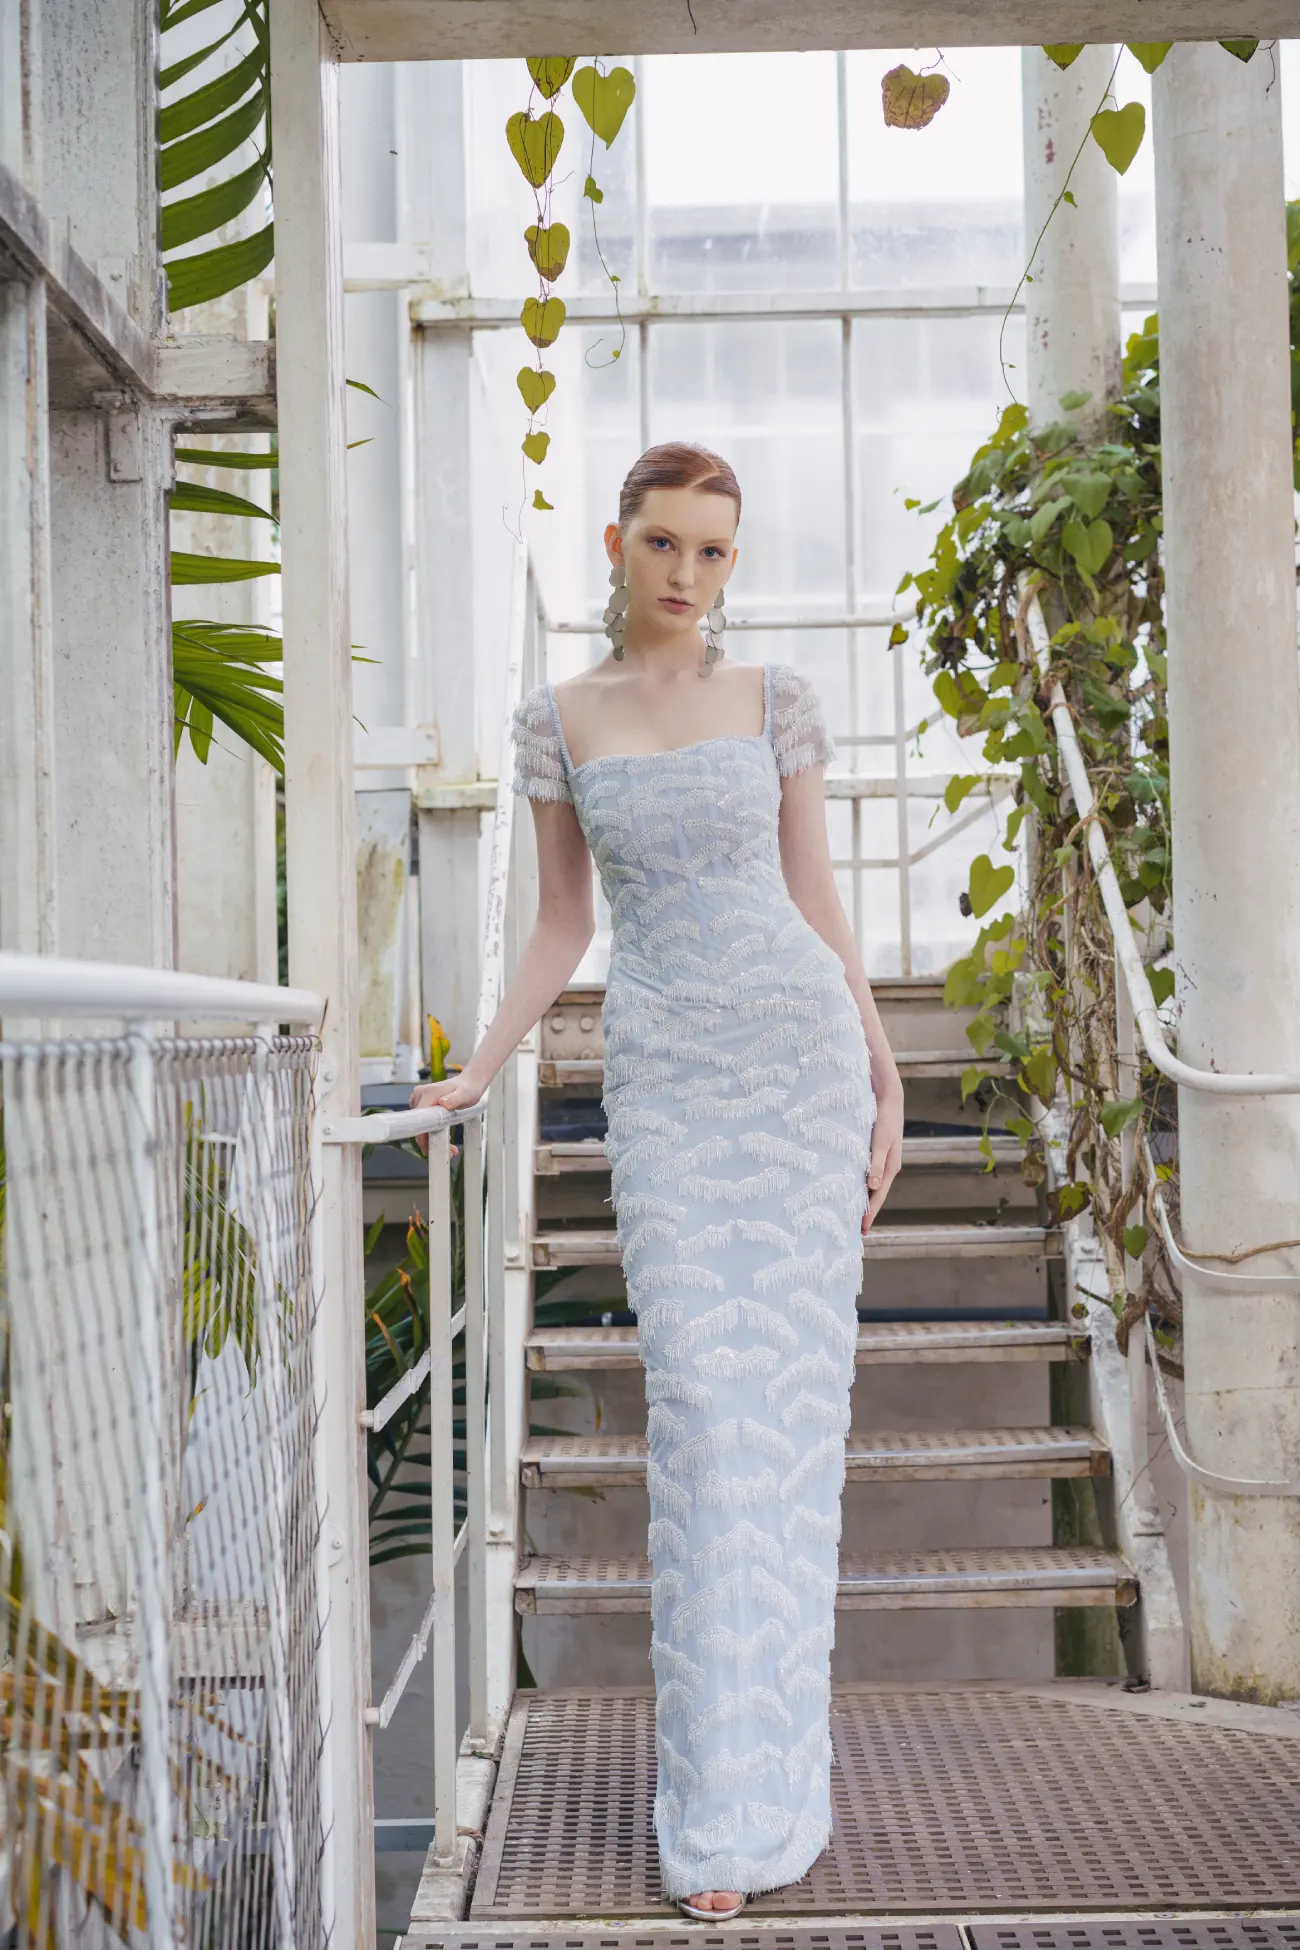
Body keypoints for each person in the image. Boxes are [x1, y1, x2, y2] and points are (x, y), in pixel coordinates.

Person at [410, 440, 904, 1919]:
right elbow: (565, 923)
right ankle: (714, 1804)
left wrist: (882, 1073)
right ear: (618, 542)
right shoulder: (559, 719)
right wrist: (480, 1068)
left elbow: (815, 896)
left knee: (787, 1441)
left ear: (731, 562)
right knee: (699, 1416)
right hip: (672, 1082)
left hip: (798, 1063)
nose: (687, 572)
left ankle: (760, 1806)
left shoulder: (777, 700)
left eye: (714, 549)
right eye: (663, 542)